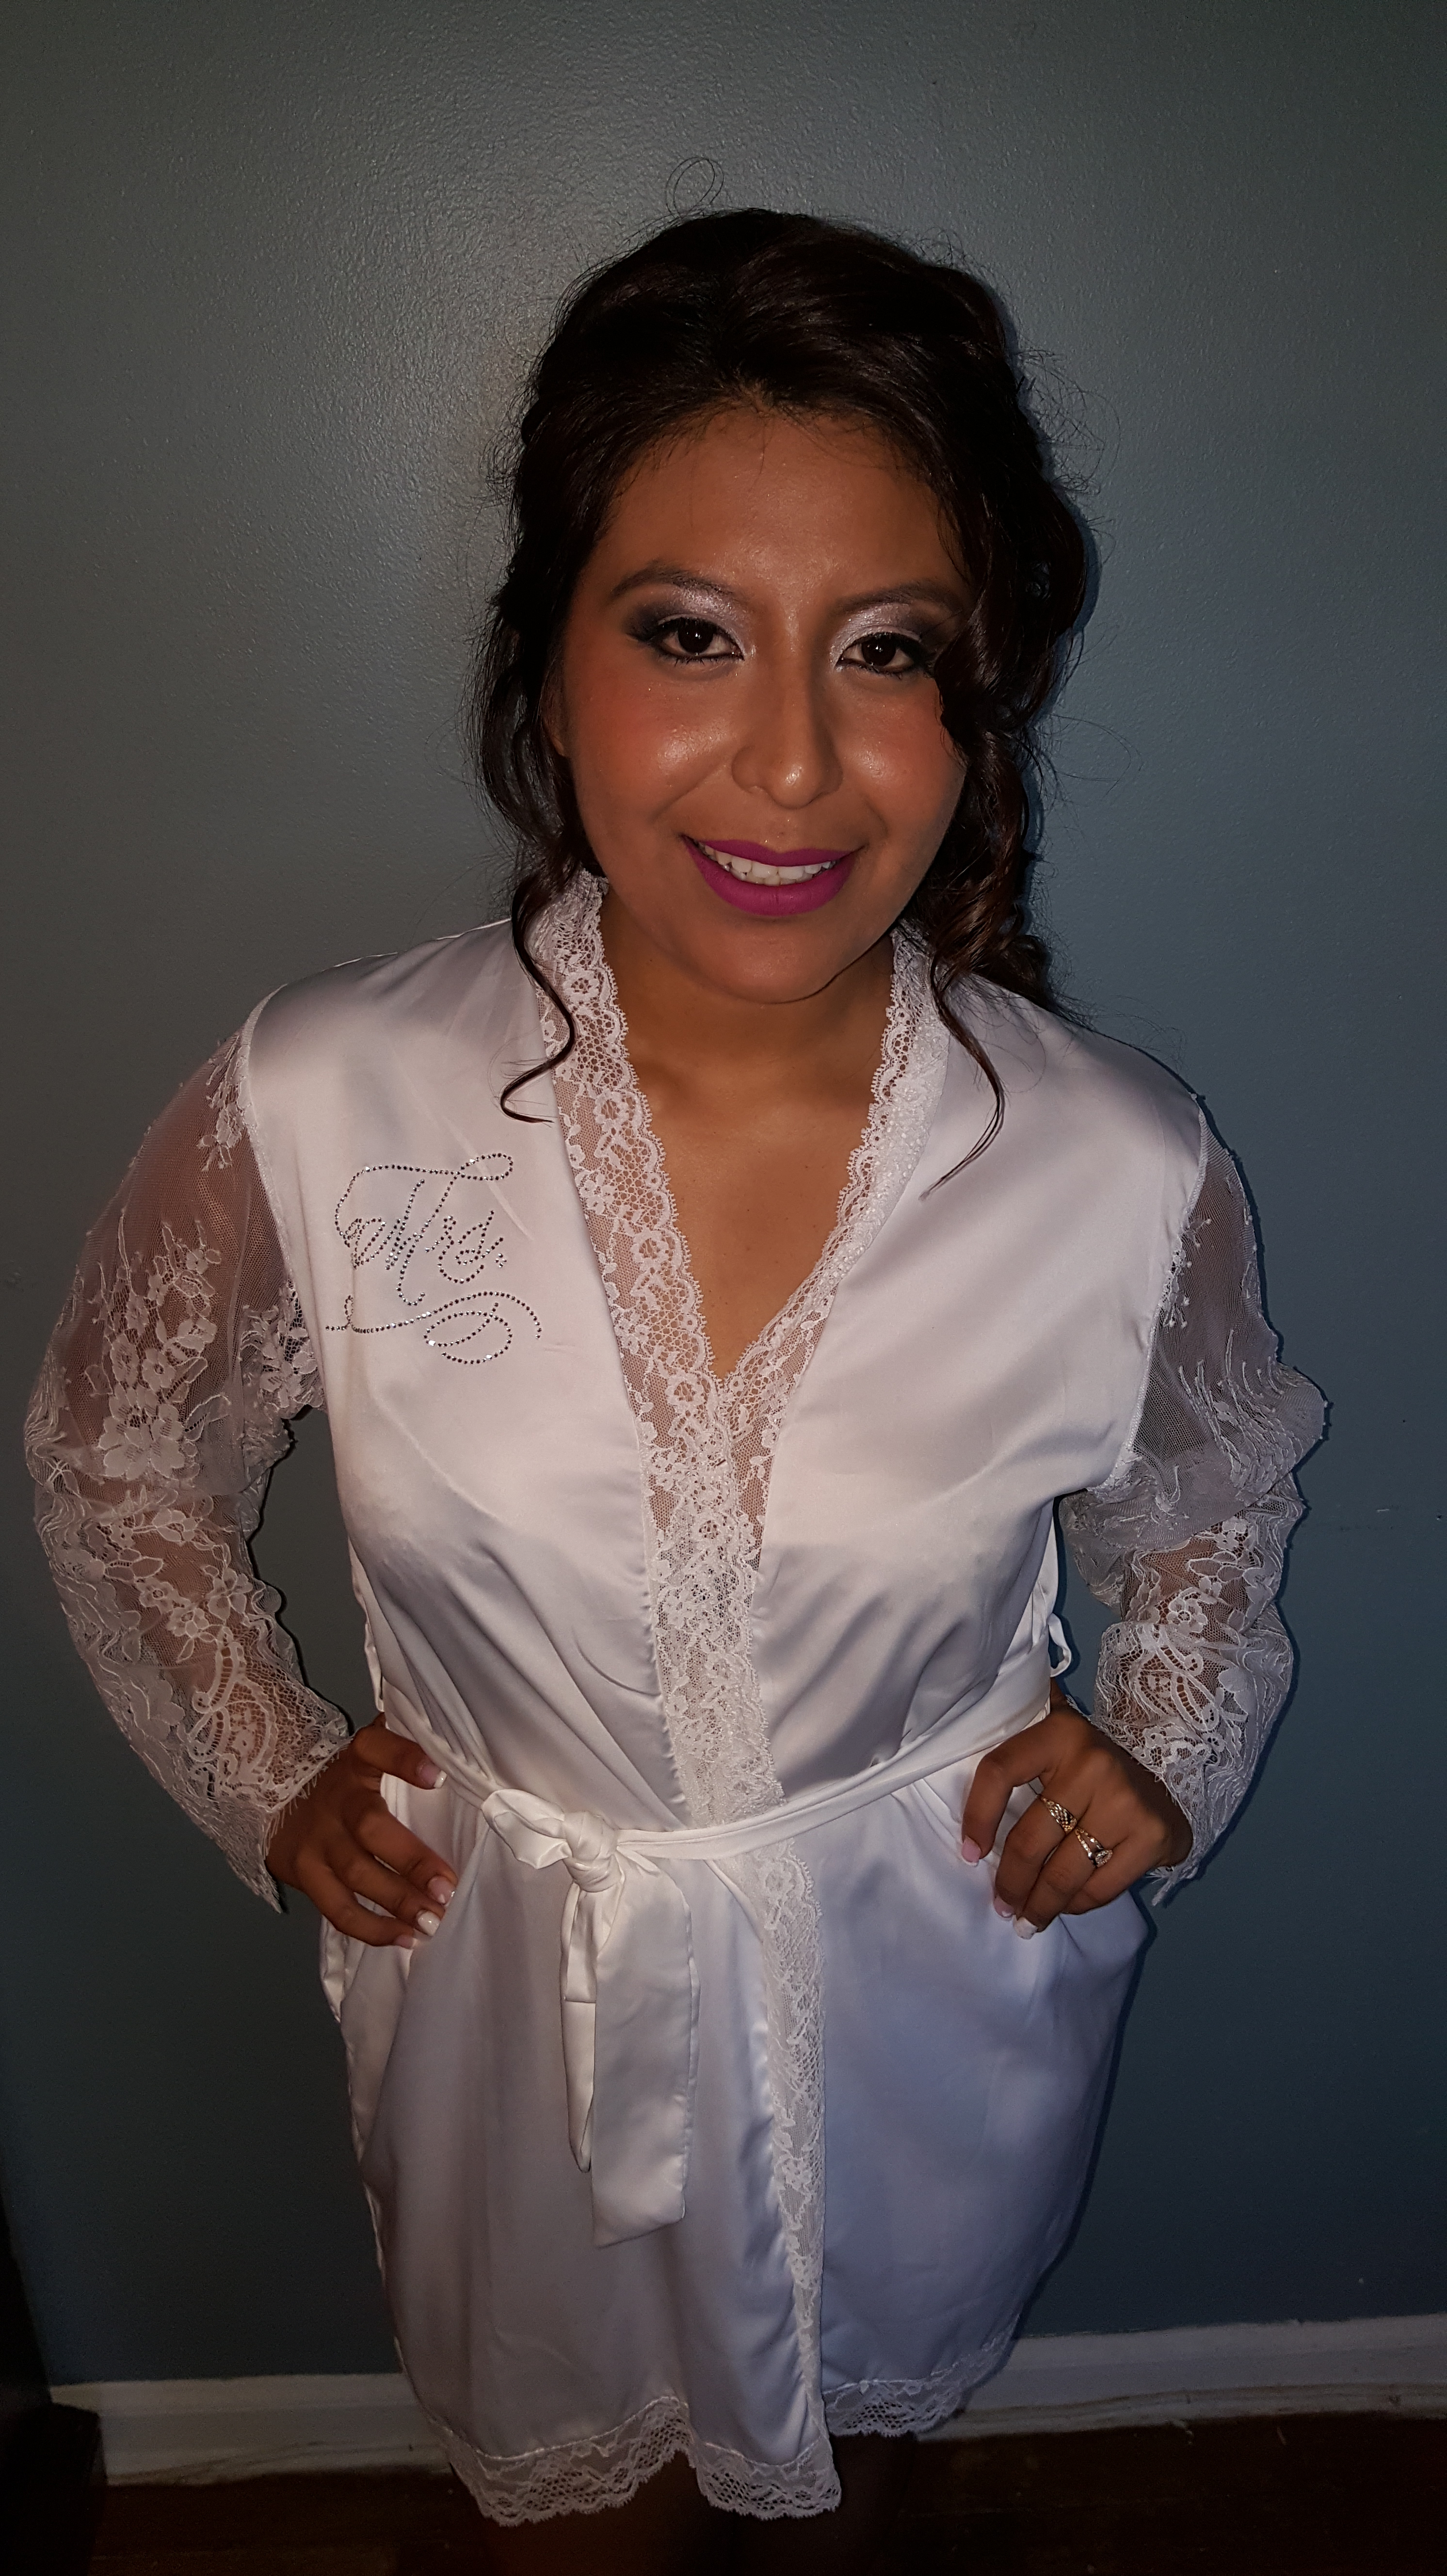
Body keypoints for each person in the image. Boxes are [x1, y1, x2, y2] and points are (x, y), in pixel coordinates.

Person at [27, 211, 1322, 2572]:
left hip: (924, 1991)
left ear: (971, 700)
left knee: (852, 2483)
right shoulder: (327, 1097)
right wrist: (265, 1763)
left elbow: (1211, 1493)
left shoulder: (1112, 1163)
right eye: (688, 633)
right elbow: (120, 1447)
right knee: (569, 2523)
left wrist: (1160, 1734)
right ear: (548, 666)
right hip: (517, 2010)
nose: (795, 760)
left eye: (887, 650)